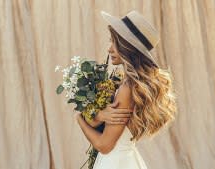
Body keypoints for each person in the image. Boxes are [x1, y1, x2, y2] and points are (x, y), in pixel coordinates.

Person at [75, 10, 177, 169]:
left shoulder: (127, 89)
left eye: (114, 43)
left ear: (127, 47)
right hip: (125, 160)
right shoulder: (124, 83)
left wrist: (78, 119)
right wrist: (100, 115)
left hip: (115, 163)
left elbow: (104, 145)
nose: (109, 49)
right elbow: (108, 122)